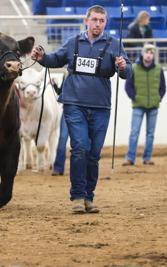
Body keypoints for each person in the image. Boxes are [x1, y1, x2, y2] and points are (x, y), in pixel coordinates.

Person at [31, 5, 133, 213]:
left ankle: (89, 197)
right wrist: (42, 58)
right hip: (74, 103)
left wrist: (123, 66)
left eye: (101, 21)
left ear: (105, 23)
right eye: (94, 20)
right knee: (80, 149)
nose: (97, 24)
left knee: (94, 154)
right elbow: (55, 59)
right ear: (87, 20)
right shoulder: (73, 42)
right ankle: (77, 196)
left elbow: (127, 73)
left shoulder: (115, 44)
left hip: (101, 106)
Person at [122, 44, 166, 166]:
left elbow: (163, 87)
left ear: (153, 55)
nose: (149, 55)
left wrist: (158, 98)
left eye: (151, 53)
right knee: (134, 132)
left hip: (153, 106)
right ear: (142, 53)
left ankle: (147, 158)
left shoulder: (158, 69)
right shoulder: (134, 68)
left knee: (150, 134)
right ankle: (130, 158)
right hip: (138, 105)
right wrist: (134, 98)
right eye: (147, 52)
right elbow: (128, 86)